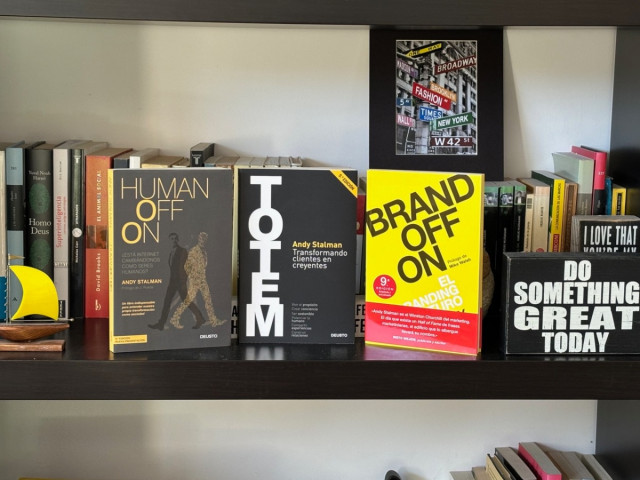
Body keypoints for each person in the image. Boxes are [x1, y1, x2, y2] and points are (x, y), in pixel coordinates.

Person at [148, 232, 206, 330]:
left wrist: (183, 280)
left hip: (180, 282)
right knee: (167, 302)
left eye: (175, 238)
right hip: (173, 281)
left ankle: (200, 319)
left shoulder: (182, 251)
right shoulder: (171, 252)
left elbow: (187, 267)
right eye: (172, 239)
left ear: (177, 240)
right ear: (169, 241)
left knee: (186, 301)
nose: (174, 240)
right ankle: (161, 324)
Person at [169, 231, 224, 329]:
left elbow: (203, 266)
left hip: (202, 280)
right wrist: (193, 276)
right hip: (195, 281)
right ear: (198, 239)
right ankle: (175, 318)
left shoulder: (204, 251)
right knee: (188, 300)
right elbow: (186, 266)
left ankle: (214, 321)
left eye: (204, 239)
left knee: (208, 300)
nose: (202, 241)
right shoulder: (194, 251)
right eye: (201, 239)